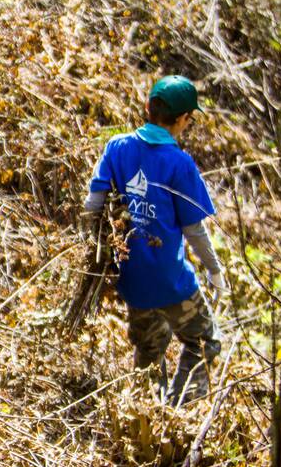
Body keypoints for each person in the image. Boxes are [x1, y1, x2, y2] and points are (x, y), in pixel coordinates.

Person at [84, 75, 226, 406]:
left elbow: (92, 206)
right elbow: (194, 230)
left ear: (148, 108)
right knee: (205, 342)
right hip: (171, 280)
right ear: (182, 119)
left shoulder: (118, 147)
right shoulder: (179, 164)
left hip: (132, 279)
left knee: (150, 348)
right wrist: (214, 270)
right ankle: (180, 411)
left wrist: (95, 248)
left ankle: (145, 419)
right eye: (189, 118)